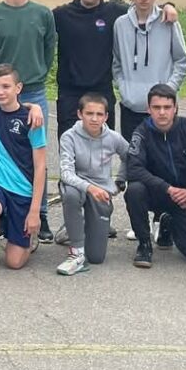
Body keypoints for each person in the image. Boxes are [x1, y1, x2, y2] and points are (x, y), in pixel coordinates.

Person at [0, 0, 55, 243]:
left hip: (33, 90)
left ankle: (40, 214)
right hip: (2, 91)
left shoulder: (42, 14)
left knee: (36, 156)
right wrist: (0, 87)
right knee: (3, 151)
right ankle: (0, 210)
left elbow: (48, 50)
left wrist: (33, 81)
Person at [53, 0, 178, 139]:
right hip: (70, 93)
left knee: (104, 145)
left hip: (102, 90)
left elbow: (144, 7)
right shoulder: (61, 15)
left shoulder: (115, 12)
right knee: (68, 144)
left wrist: (168, 6)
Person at [123, 84, 186, 269]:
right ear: (148, 109)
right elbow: (134, 169)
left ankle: (168, 222)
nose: (162, 112)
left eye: (167, 107)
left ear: (175, 108)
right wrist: (167, 188)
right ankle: (144, 244)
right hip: (156, 193)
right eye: (156, 107)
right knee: (134, 190)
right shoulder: (141, 132)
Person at [0, 64, 47, 272]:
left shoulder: (32, 120)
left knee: (14, 263)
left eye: (6, 86)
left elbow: (41, 167)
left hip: (22, 190)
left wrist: (35, 212)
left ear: (18, 88)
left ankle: (25, 235)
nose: (0, 92)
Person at [112, 0, 186, 142]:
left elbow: (181, 60)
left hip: (163, 107)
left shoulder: (169, 22)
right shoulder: (120, 24)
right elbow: (116, 61)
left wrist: (168, 89)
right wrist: (123, 88)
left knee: (166, 153)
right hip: (130, 106)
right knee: (133, 153)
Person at [55, 93, 129, 276]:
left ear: (106, 117)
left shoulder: (114, 138)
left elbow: (131, 158)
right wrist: (89, 187)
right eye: (89, 113)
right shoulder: (69, 137)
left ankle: (73, 228)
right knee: (71, 194)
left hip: (101, 191)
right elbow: (66, 173)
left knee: (96, 257)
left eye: (99, 114)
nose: (94, 119)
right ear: (80, 114)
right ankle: (77, 254)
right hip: (77, 186)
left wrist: (120, 181)